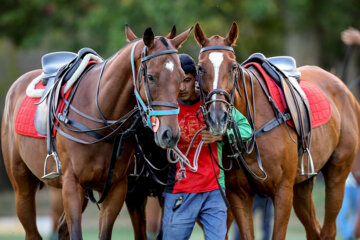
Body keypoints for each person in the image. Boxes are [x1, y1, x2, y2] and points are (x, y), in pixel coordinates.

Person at [161, 54, 253, 239]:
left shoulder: (214, 104)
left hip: (214, 192)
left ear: (196, 78)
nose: (182, 88)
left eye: (187, 80)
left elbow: (247, 130)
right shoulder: (167, 108)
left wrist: (221, 135)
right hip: (180, 190)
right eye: (178, 81)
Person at [336, 172, 360, 240]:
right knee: (341, 212)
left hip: (358, 186)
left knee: (357, 215)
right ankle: (348, 236)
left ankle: (353, 234)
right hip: (345, 184)